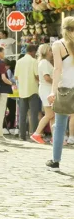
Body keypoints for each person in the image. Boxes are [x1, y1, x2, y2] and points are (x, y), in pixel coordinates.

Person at [47, 18, 74, 170]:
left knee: (60, 126)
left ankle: (55, 161)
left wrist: (52, 90)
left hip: (65, 89)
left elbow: (57, 69)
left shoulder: (58, 45)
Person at [15, 44, 40, 141]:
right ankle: (34, 134)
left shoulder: (19, 61)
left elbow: (16, 76)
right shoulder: (34, 61)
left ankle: (22, 135)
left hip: (22, 90)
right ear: (33, 51)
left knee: (22, 114)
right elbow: (37, 75)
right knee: (33, 114)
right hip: (33, 89)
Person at [31, 44, 54, 145]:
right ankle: (36, 133)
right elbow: (47, 78)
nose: (52, 52)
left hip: (47, 89)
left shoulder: (45, 62)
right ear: (46, 51)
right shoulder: (44, 62)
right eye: (50, 50)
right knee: (50, 114)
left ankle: (54, 137)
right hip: (46, 90)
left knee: (52, 115)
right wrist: (57, 82)